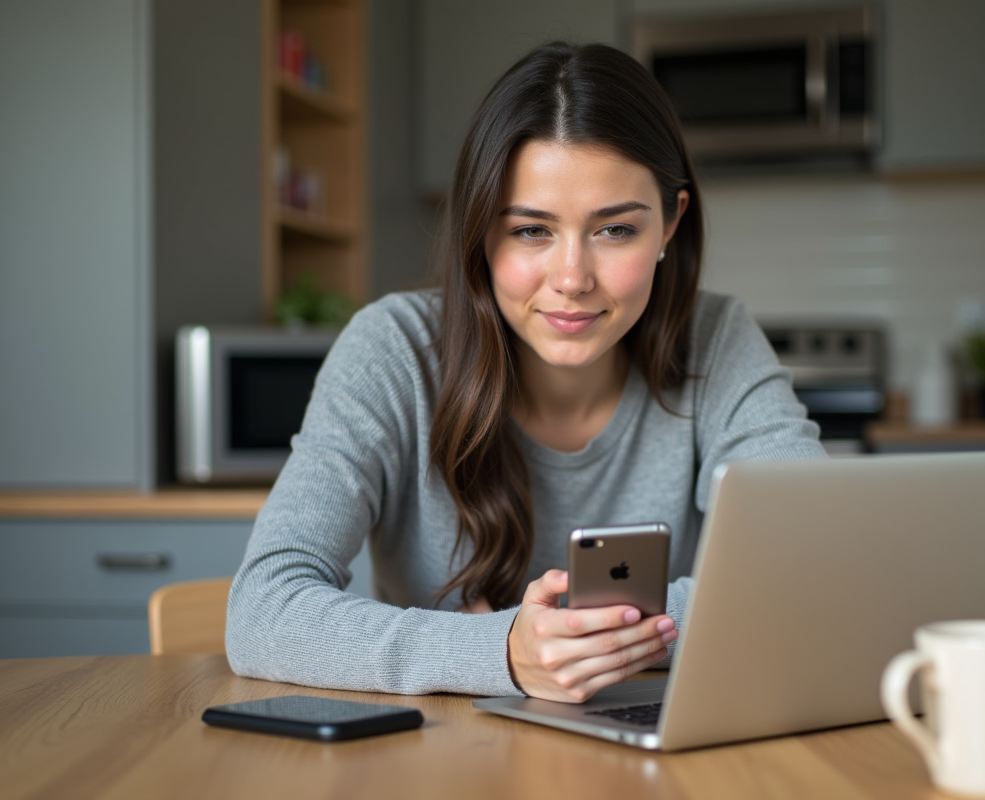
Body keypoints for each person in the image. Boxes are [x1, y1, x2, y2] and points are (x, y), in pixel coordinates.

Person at [226, 42, 824, 703]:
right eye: (532, 232)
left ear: (670, 225)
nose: (572, 280)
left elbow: (814, 561)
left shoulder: (717, 340)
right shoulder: (391, 349)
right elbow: (262, 609)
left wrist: (571, 635)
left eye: (615, 230)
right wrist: (503, 651)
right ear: (482, 233)